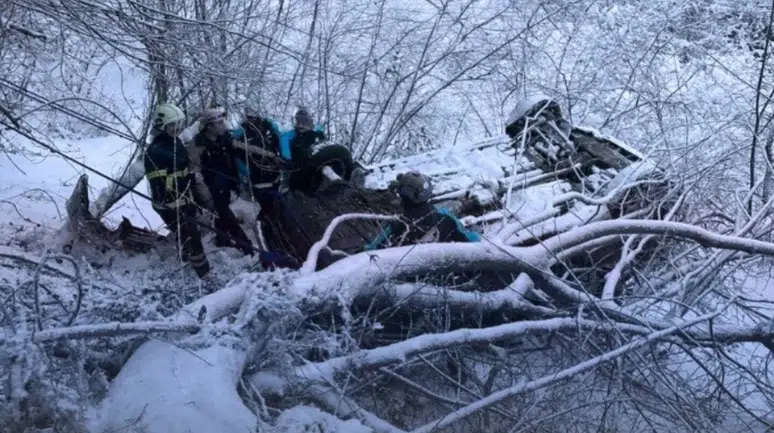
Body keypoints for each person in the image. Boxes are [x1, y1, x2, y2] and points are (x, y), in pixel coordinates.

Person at [144, 103, 211, 278]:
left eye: (179, 125)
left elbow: (184, 168)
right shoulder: (155, 151)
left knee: (187, 234)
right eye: (173, 125)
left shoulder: (175, 142)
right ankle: (204, 274)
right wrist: (172, 203)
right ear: (162, 126)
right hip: (169, 203)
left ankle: (186, 260)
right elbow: (157, 184)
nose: (177, 129)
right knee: (192, 235)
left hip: (184, 197)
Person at [364, 171, 481, 251]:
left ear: (401, 194)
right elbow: (474, 242)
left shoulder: (394, 224)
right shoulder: (446, 218)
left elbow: (369, 252)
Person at [194, 107, 255, 256]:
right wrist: (205, 195)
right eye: (219, 123)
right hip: (211, 188)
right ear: (209, 126)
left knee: (222, 213)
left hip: (226, 183)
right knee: (224, 212)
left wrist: (270, 156)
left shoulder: (225, 137)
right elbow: (194, 172)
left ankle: (222, 239)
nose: (224, 125)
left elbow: (241, 148)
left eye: (223, 122)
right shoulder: (198, 144)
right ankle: (246, 246)